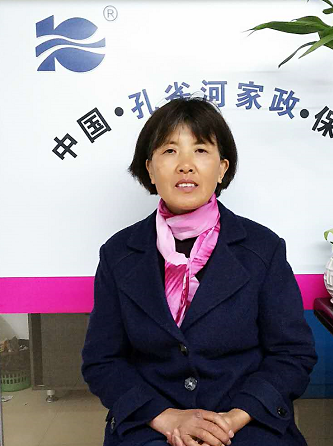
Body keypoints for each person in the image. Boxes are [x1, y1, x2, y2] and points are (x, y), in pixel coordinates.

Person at [81, 97, 317, 446]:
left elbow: (292, 354)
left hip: (245, 421)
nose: (186, 165)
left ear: (222, 168)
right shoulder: (119, 254)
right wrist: (166, 418)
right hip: (152, 423)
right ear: (150, 169)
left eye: (201, 150)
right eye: (170, 151)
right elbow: (102, 361)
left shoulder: (263, 249)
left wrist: (231, 420)